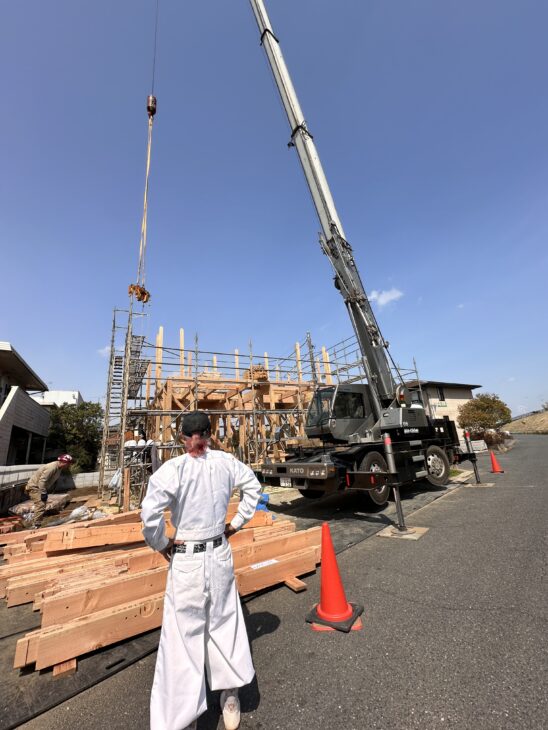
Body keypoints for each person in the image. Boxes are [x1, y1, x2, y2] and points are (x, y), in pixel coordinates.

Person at [141, 411, 262, 730]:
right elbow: (253, 488)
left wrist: (162, 543)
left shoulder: (173, 470)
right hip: (219, 551)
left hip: (187, 558)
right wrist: (235, 524)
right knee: (225, 621)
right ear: (210, 434)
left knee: (183, 636)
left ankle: (181, 718)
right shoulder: (226, 462)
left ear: (182, 438)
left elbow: (150, 515)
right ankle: (230, 696)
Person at [24, 454, 74, 528]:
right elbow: (42, 481)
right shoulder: (51, 467)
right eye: (68, 464)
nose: (69, 465)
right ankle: (35, 525)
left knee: (42, 505)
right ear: (63, 462)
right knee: (40, 504)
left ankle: (36, 523)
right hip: (34, 487)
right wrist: (43, 492)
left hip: (39, 487)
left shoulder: (59, 468)